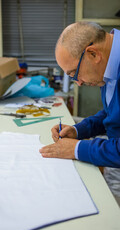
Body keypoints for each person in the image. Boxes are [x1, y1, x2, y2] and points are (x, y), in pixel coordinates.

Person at [39, 21, 120, 205]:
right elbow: (113, 113)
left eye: (75, 74)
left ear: (93, 53)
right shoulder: (110, 60)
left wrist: (76, 149)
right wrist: (79, 130)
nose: (79, 83)